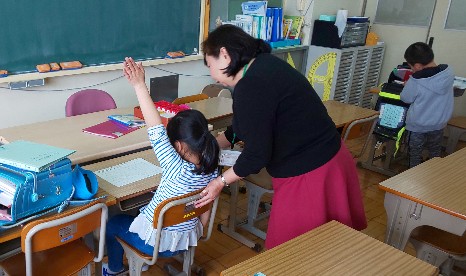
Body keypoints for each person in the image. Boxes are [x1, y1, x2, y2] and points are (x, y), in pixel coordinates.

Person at [195, 25, 367, 249]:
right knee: (327, 246)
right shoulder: (265, 64)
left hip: (310, 173)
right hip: (331, 158)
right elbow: (245, 125)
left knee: (293, 252)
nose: (212, 75)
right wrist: (214, 145)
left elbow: (256, 155)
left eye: (210, 65)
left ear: (225, 55)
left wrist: (220, 182)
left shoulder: (251, 86)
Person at [102, 57, 220, 276]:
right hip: (186, 237)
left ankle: (114, 269)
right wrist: (200, 229)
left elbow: (154, 127)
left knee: (113, 222)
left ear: (179, 145)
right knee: (143, 207)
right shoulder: (214, 165)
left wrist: (139, 85)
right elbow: (207, 203)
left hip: (155, 244)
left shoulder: (174, 164)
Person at [400, 42, 454, 168]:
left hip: (418, 126)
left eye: (411, 67)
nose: (412, 70)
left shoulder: (416, 80)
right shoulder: (448, 72)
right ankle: (432, 179)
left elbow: (406, 98)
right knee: (435, 153)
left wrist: (407, 85)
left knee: (414, 155)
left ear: (417, 66)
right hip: (439, 124)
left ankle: (413, 182)